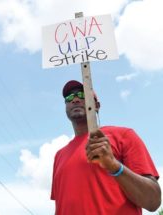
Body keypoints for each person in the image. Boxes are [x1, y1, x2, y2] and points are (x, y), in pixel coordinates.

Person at [51, 80, 161, 215]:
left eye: (82, 95)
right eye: (69, 98)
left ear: (96, 105)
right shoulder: (59, 155)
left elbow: (153, 201)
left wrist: (114, 165)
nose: (74, 100)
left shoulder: (123, 136)